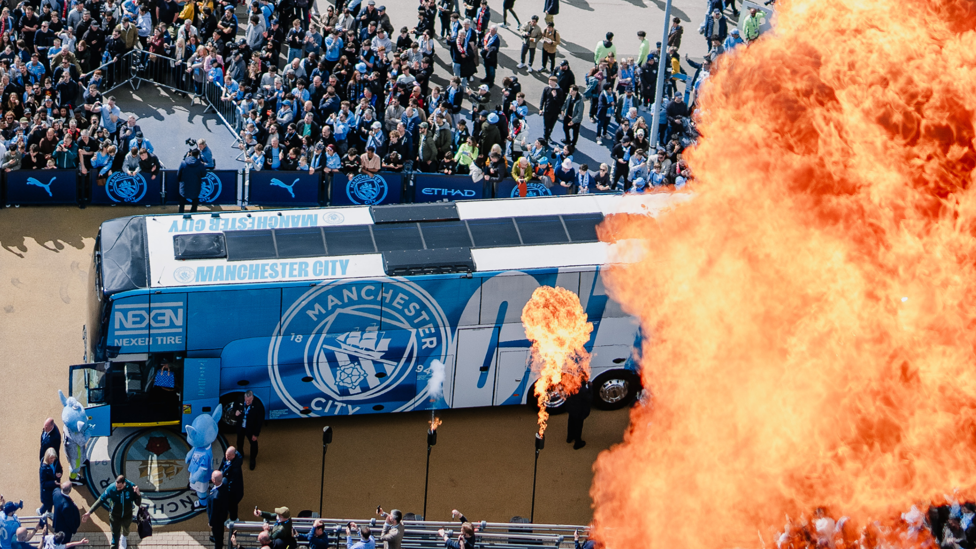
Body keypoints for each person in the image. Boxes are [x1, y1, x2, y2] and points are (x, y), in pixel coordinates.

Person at [82, 475, 142, 549]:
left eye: (119, 487)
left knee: (126, 528)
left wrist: (138, 495)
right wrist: (89, 512)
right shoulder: (111, 488)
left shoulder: (131, 487)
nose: (117, 489)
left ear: (124, 483)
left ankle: (124, 538)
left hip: (127, 515)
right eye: (117, 487)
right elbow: (101, 500)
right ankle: (114, 544)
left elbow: (138, 503)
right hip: (114, 516)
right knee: (115, 534)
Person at [234, 390, 264, 470]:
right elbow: (235, 406)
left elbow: (259, 421)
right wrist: (236, 411)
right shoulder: (240, 399)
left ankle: (252, 459)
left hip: (251, 428)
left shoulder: (258, 405)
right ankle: (240, 455)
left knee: (253, 444)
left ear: (252, 398)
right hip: (241, 426)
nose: (247, 402)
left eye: (249, 401)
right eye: (246, 400)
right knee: (239, 442)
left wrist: (256, 434)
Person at [176, 148, 207, 213]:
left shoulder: (183, 163)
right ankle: (193, 213)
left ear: (191, 153)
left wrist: (180, 182)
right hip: (195, 186)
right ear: (198, 155)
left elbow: (178, 174)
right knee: (195, 200)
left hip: (184, 186)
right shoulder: (200, 164)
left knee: (182, 201)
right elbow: (204, 174)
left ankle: (180, 213)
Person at [565, 377, 592, 449]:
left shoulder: (571, 385)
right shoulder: (583, 390)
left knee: (571, 423)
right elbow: (590, 398)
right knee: (578, 427)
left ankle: (569, 438)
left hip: (571, 408)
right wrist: (590, 387)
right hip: (579, 411)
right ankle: (577, 443)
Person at [219, 447, 244, 521]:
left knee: (232, 505)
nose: (226, 457)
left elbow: (232, 484)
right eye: (226, 455)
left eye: (229, 456)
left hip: (234, 492)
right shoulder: (228, 459)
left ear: (234, 455)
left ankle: (234, 519)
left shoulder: (235, 469)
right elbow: (222, 466)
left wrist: (226, 492)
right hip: (228, 486)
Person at [539, 75, 564, 143]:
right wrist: (541, 108)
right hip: (547, 110)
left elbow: (560, 102)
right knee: (546, 126)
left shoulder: (559, 90)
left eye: (551, 81)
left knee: (551, 126)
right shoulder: (546, 89)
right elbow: (543, 99)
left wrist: (555, 96)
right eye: (549, 81)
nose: (549, 82)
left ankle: (548, 136)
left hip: (555, 112)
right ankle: (545, 138)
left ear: (555, 82)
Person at [208, 471, 229, 549]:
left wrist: (211, 523)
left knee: (218, 535)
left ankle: (218, 545)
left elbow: (213, 512)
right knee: (220, 532)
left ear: (214, 480)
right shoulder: (225, 482)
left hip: (217, 520)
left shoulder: (215, 498)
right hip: (223, 514)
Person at [39, 448, 63, 515]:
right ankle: (40, 512)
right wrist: (53, 482)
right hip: (47, 490)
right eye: (51, 459)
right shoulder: (43, 468)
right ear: (47, 458)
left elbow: (60, 468)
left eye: (53, 458)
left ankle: (49, 512)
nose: (52, 460)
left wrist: (60, 473)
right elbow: (43, 483)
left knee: (52, 502)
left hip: (54, 487)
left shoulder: (56, 461)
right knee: (47, 503)